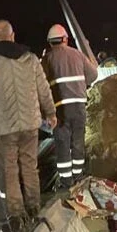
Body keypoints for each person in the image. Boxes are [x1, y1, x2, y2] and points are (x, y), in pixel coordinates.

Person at [0, 20, 56, 232]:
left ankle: (16, 215)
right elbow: (44, 88)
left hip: (1, 127)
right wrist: (51, 112)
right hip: (29, 124)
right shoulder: (31, 58)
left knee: (9, 170)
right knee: (30, 166)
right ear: (13, 35)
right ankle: (34, 207)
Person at [41, 24, 98, 189]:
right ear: (65, 39)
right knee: (78, 141)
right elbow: (93, 75)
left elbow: (40, 84)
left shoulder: (47, 59)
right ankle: (78, 176)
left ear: (50, 42)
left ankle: (66, 181)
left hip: (59, 108)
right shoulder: (77, 54)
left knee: (63, 143)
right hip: (79, 105)